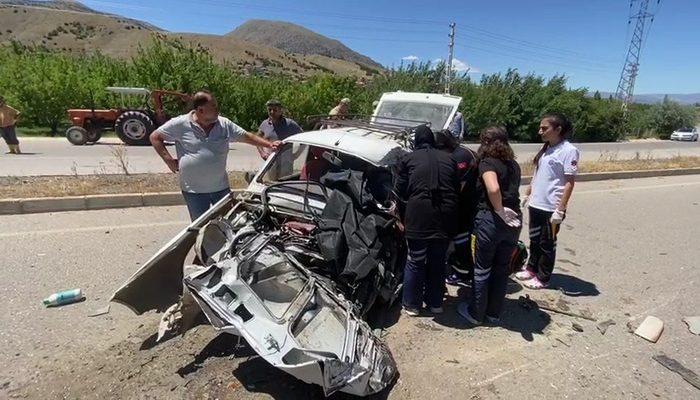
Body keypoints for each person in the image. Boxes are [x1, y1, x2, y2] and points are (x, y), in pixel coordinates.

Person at [150, 90, 281, 221]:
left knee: (227, 224)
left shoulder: (224, 124)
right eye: (213, 106)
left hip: (220, 189)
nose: (218, 109)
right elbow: (155, 137)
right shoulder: (179, 124)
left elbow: (247, 137)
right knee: (201, 227)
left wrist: (270, 145)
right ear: (200, 110)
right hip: (194, 191)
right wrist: (168, 160)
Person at [458, 126, 521, 325]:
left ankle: (476, 313)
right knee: (501, 268)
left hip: (490, 220)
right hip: (514, 220)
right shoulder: (513, 165)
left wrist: (499, 209)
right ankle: (493, 313)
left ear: (485, 142)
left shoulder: (487, 163)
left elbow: (493, 188)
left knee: (482, 268)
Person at [395, 125, 460, 316]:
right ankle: (435, 303)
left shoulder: (408, 158)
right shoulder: (450, 158)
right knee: (438, 260)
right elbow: (456, 188)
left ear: (416, 141)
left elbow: (399, 190)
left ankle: (412, 305)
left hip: (419, 214)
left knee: (415, 259)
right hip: (445, 214)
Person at [516, 113, 580, 289]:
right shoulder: (546, 148)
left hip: (551, 206)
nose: (540, 131)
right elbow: (537, 175)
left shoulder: (569, 151)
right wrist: (528, 194)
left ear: (558, 129)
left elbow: (569, 183)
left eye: (544, 128)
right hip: (537, 203)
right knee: (534, 239)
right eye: (540, 128)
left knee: (547, 244)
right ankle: (531, 268)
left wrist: (560, 209)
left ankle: (543, 277)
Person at [435, 130, 478, 286]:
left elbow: (458, 185)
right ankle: (462, 268)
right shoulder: (463, 151)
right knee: (462, 237)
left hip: (465, 204)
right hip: (469, 202)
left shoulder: (460, 157)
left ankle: (463, 273)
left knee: (461, 238)